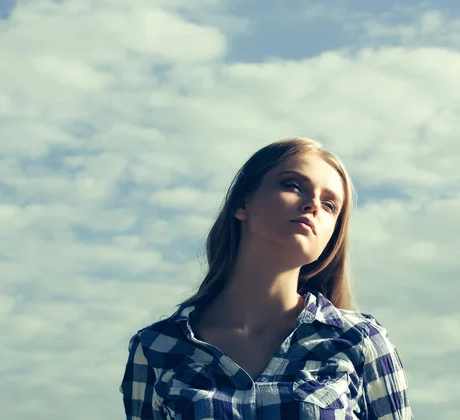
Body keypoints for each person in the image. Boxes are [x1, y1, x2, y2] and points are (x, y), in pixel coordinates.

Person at [120, 137, 415, 419]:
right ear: (242, 204)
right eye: (293, 185)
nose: (313, 204)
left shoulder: (359, 341)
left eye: (329, 205)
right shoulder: (157, 347)